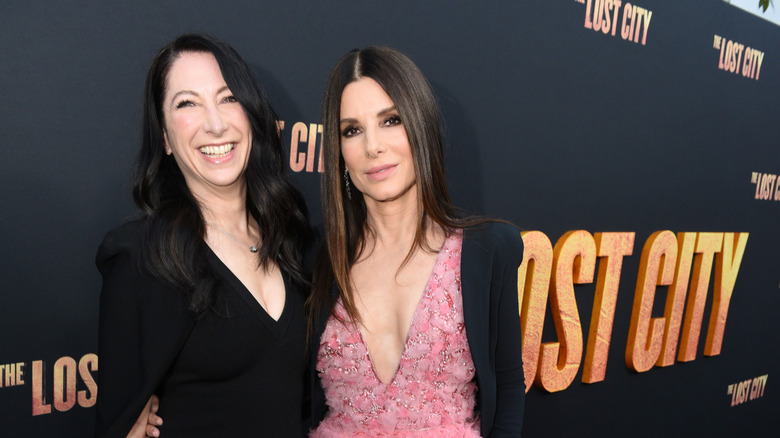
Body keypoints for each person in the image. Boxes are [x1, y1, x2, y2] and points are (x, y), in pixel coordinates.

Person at [95, 33, 312, 437]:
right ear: (164, 137)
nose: (215, 124)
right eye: (187, 103)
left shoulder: (290, 238)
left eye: (228, 98)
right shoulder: (143, 257)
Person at [307, 46, 525, 437]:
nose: (373, 146)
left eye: (390, 120)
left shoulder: (487, 250)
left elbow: (508, 385)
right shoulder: (315, 255)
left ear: (419, 125)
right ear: (339, 151)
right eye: (352, 130)